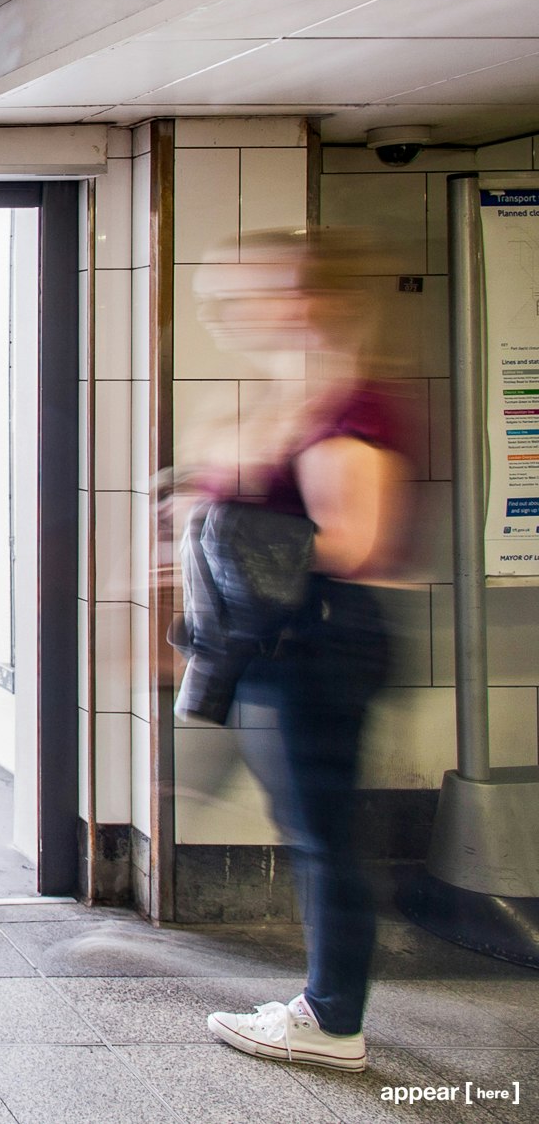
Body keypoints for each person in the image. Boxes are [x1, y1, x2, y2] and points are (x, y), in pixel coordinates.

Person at [185, 229, 417, 1073]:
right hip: (293, 643)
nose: (227, 312)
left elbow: (353, 540)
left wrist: (231, 515)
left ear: (302, 299)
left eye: (246, 292)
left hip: (322, 641)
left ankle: (332, 1019)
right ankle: (327, 1002)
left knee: (324, 835)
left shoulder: (346, 409)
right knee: (313, 825)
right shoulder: (302, 396)